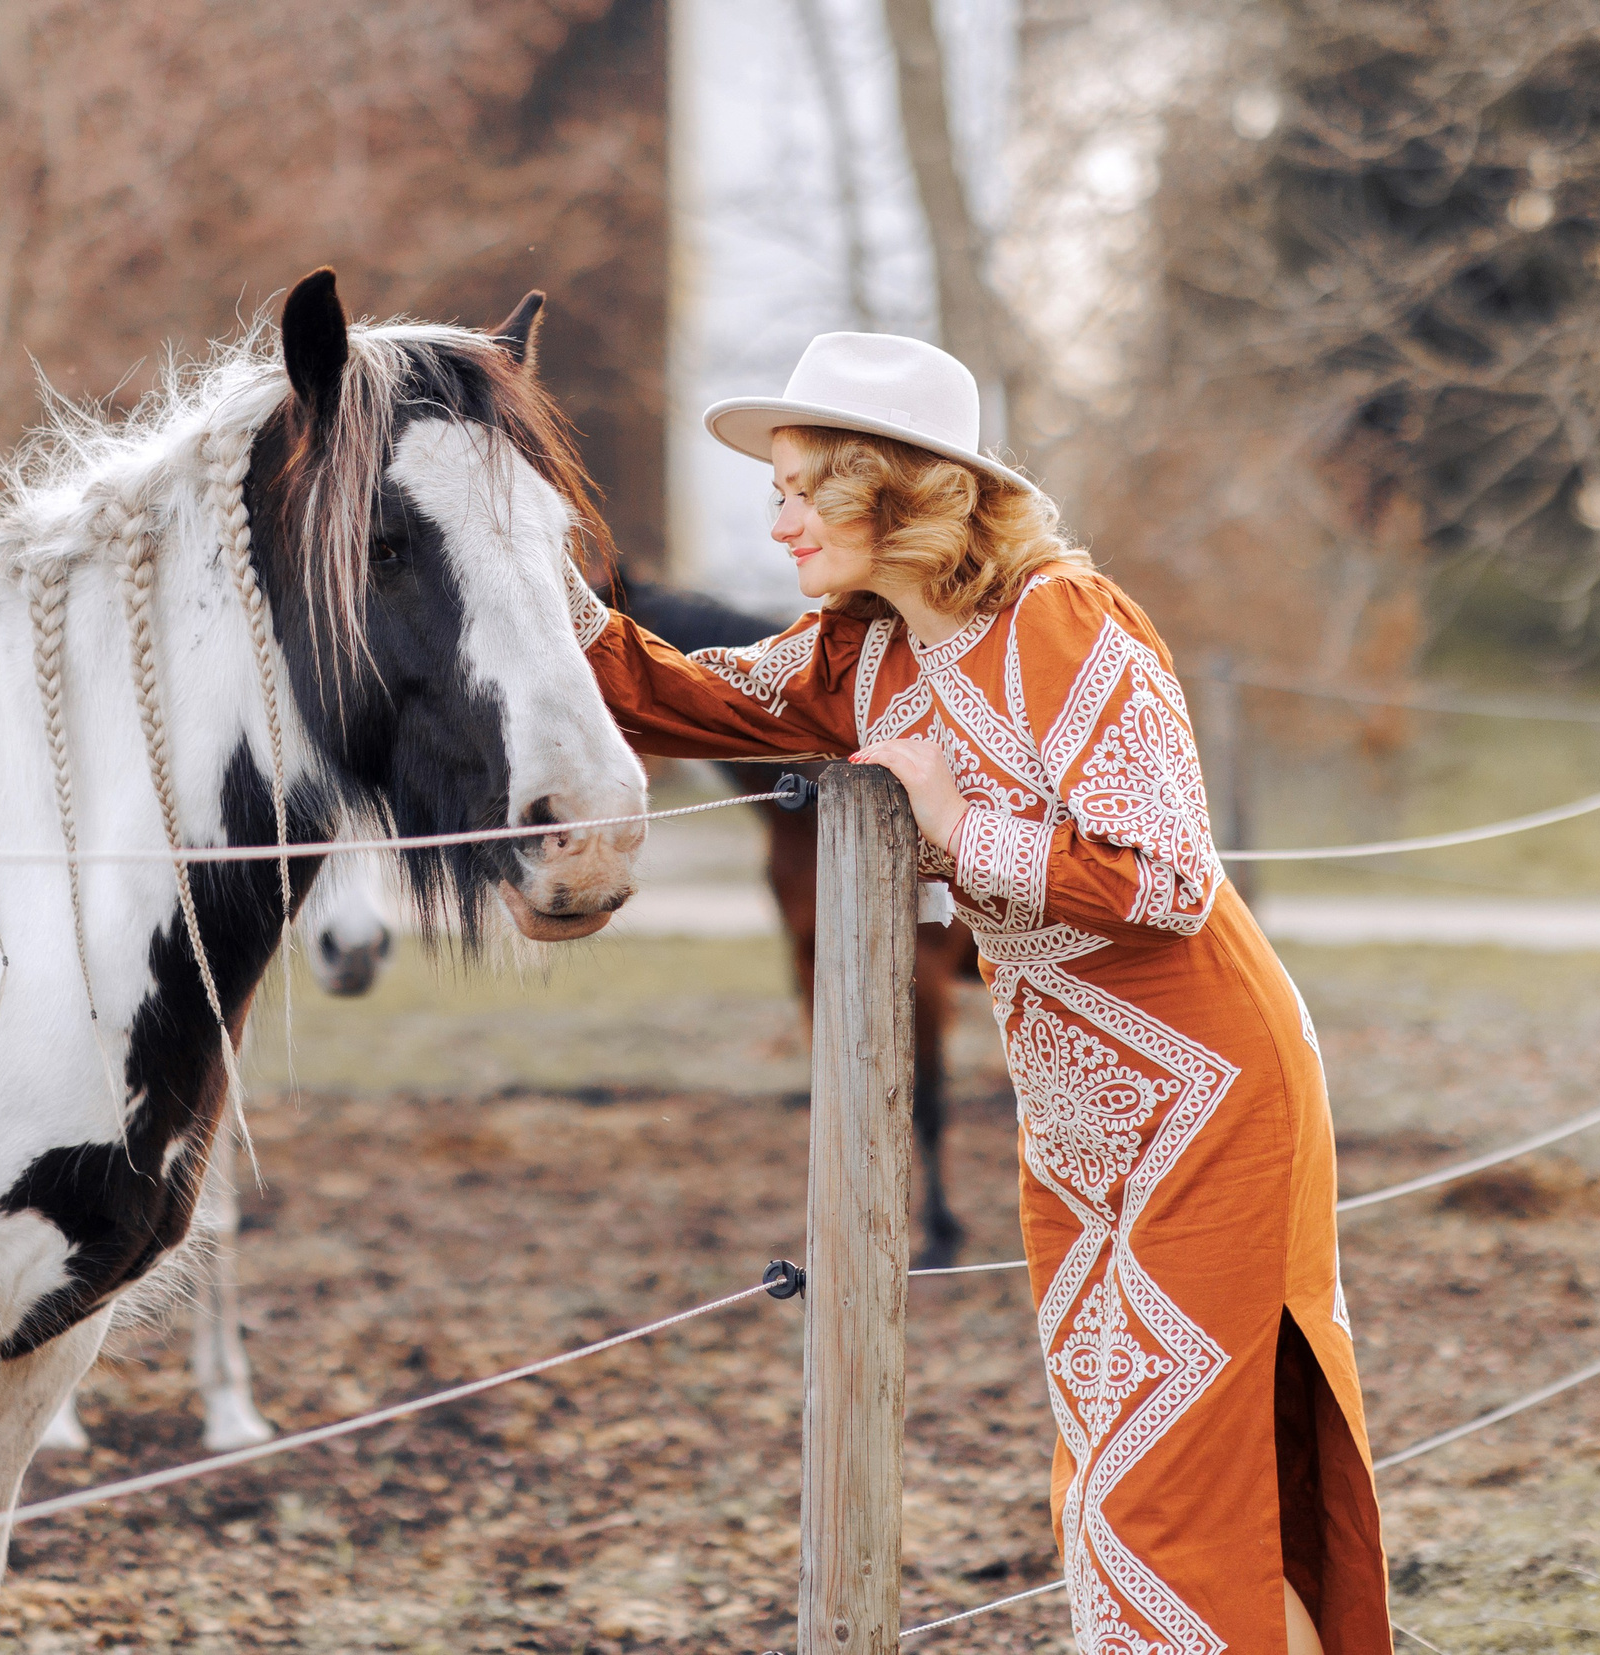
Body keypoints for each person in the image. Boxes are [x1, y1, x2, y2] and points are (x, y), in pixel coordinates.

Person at [565, 333, 1390, 1655]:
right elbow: (681, 696)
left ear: (893, 487)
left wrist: (951, 824)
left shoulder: (1063, 617)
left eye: (799, 488)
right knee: (1118, 1488)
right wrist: (511, 582)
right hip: (1070, 1115)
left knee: (1167, 1493)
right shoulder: (862, 656)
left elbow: (1169, 879)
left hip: (1210, 1096)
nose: (773, 522)